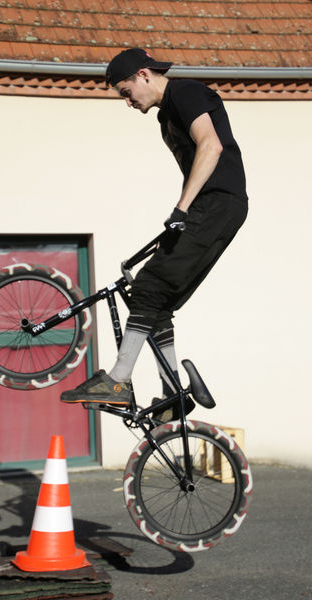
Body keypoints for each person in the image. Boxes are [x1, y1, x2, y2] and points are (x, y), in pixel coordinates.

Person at [60, 48, 248, 414]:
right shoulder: (165, 119)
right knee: (155, 301)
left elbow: (211, 146)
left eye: (125, 93)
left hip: (218, 205)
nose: (128, 103)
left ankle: (118, 379)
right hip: (210, 208)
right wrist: (181, 213)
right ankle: (173, 392)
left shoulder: (186, 93)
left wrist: (181, 209)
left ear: (143, 75)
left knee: (147, 287)